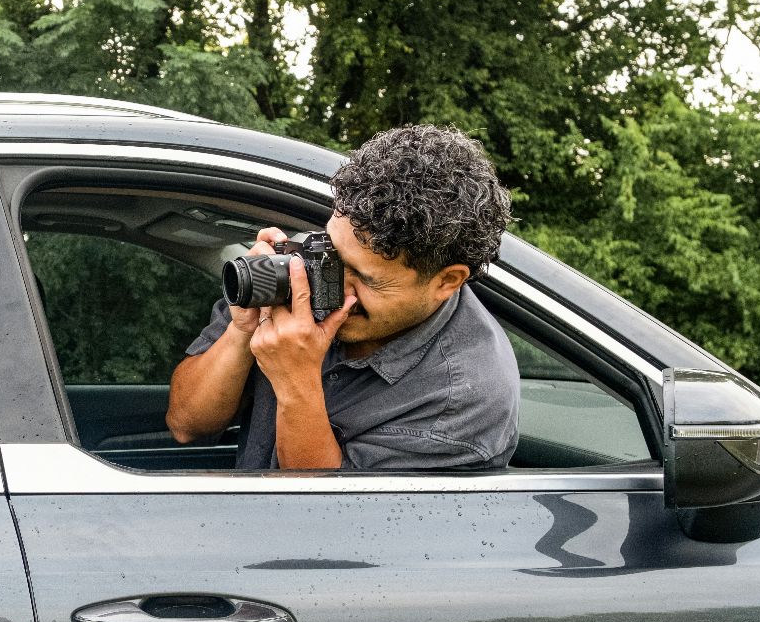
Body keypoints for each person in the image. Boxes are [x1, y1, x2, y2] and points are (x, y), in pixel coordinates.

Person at [164, 124, 520, 470]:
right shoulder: (303, 271)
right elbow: (185, 425)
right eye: (332, 254)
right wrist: (242, 331)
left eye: (367, 279)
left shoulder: (464, 400)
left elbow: (332, 518)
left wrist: (297, 384)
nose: (331, 287)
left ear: (447, 280)